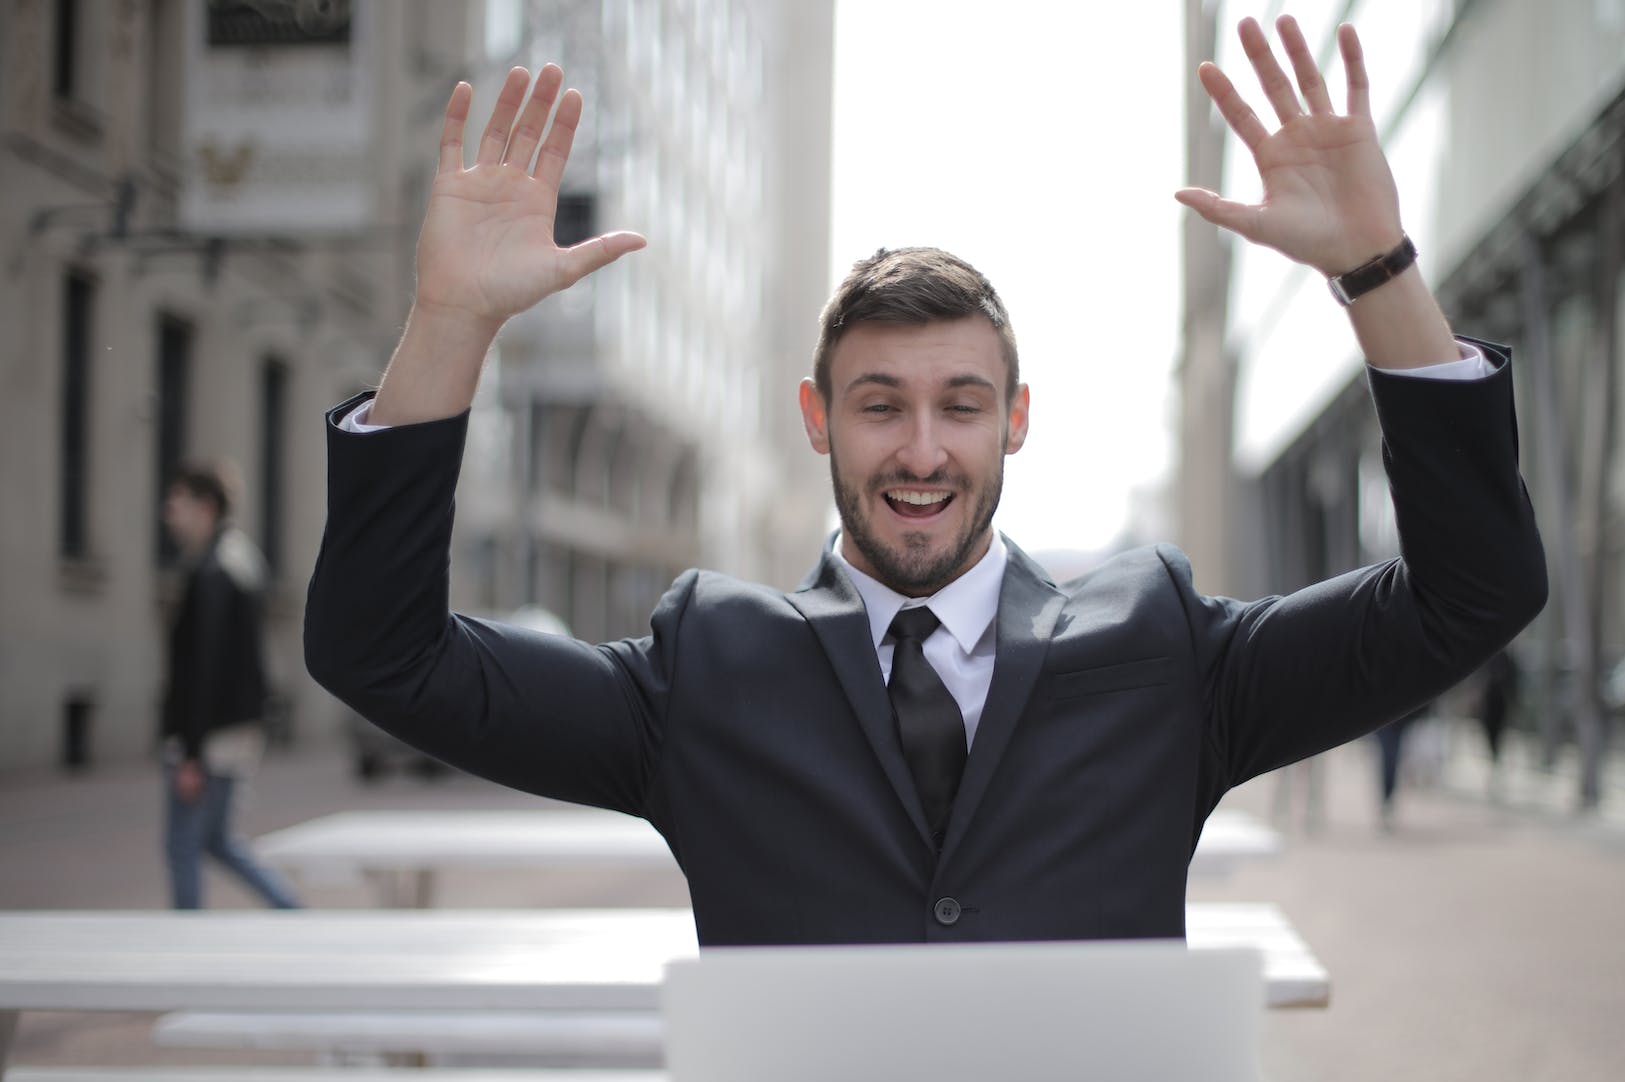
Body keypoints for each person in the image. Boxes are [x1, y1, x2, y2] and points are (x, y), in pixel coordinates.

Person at [304, 16, 1546, 944]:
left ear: (1014, 422)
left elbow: (1470, 593)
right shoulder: (704, 673)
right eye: (877, 405)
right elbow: (383, 653)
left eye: (959, 406)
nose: (918, 450)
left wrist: (1378, 272)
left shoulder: (1165, 652)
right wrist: (449, 324)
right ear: (816, 422)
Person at [160, 462, 300, 910]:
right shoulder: (238, 558)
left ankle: (188, 944)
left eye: (177, 502)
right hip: (235, 727)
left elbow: (205, 667)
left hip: (212, 734)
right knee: (217, 840)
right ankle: (297, 915)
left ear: (205, 507)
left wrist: (191, 751)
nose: (169, 513)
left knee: (184, 843)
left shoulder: (215, 570)